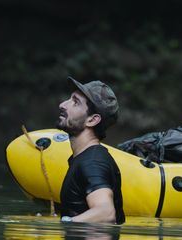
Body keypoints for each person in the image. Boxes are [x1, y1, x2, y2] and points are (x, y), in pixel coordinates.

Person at [56, 76, 125, 224]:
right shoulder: (83, 158)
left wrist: (65, 224)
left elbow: (105, 213)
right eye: (69, 99)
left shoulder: (92, 162)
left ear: (92, 120)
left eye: (75, 102)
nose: (63, 104)